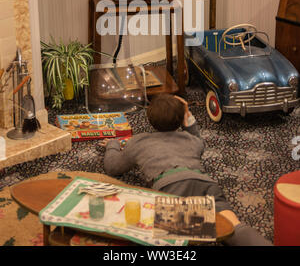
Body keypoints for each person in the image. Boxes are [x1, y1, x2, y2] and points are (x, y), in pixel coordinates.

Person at [100, 93, 272, 246]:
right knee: (232, 226)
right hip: (205, 184)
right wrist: (187, 116)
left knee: (175, 237)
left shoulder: (137, 142)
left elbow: (113, 167)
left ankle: (192, 231)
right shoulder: (192, 141)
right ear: (182, 119)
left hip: (171, 187)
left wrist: (113, 144)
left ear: (149, 119)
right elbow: (197, 139)